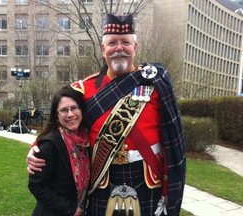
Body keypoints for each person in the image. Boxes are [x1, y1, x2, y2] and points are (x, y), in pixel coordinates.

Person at [27, 13, 186, 216]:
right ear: (103, 49)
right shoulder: (84, 89)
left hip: (147, 176)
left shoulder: (155, 84)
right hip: (103, 176)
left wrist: (167, 186)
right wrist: (35, 147)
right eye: (112, 43)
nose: (119, 48)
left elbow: (173, 136)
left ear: (135, 48)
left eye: (125, 42)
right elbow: (59, 117)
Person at [28, 85, 90, 216]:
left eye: (74, 108)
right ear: (56, 115)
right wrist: (70, 209)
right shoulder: (49, 146)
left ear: (81, 110)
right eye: (64, 110)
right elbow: (36, 186)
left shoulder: (86, 140)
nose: (70, 114)